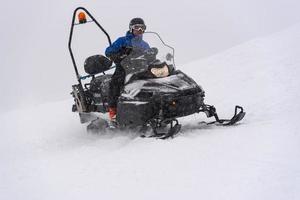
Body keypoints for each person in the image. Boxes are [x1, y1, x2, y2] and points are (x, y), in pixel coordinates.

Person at [105, 18, 150, 123]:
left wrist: (153, 54)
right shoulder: (122, 40)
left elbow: (148, 55)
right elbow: (108, 51)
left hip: (141, 69)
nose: (139, 30)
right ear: (131, 29)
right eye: (136, 27)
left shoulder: (144, 44)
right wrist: (119, 55)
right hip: (125, 68)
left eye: (142, 28)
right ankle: (113, 111)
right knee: (116, 82)